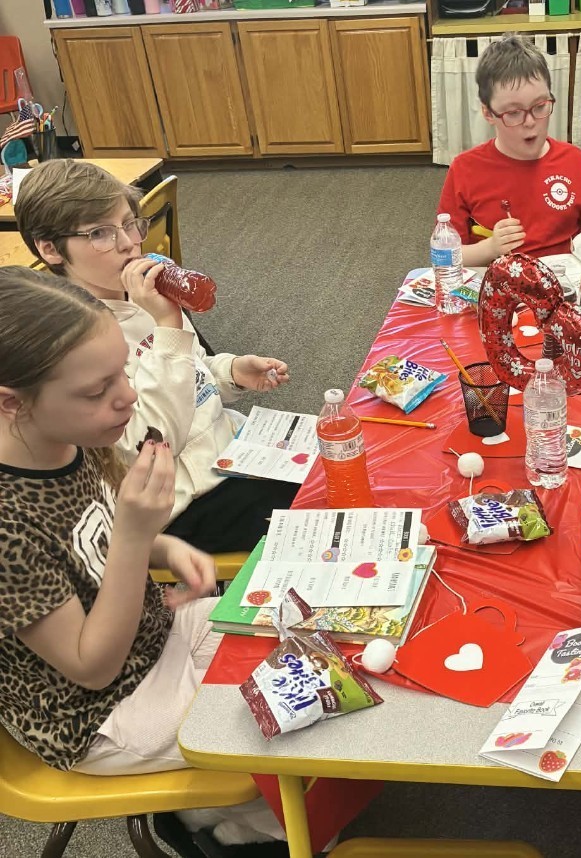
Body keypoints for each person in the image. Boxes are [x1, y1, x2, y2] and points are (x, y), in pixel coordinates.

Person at [0, 268, 290, 855]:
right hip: (97, 711)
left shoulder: (63, 437)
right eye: (97, 389)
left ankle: (231, 813)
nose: (128, 397)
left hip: (149, 637)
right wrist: (139, 537)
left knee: (305, 638)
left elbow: (98, 535)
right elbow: (90, 667)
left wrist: (165, 546)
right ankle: (229, 830)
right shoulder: (8, 522)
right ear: (12, 403)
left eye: (123, 373)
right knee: (291, 723)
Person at [16, 160, 300, 554]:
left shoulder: (144, 296)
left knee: (355, 457)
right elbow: (151, 445)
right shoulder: (74, 345)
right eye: (100, 233)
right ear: (50, 249)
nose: (128, 243)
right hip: (189, 501)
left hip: (234, 449)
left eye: (131, 222)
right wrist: (168, 327)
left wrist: (230, 371)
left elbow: (192, 376)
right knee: (335, 515)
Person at [437, 34, 581, 267]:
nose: (530, 122)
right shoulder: (465, 169)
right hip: (501, 288)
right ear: (488, 113)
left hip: (564, 283)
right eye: (513, 113)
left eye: (540, 106)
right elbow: (444, 257)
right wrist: (489, 248)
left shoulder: (574, 160)